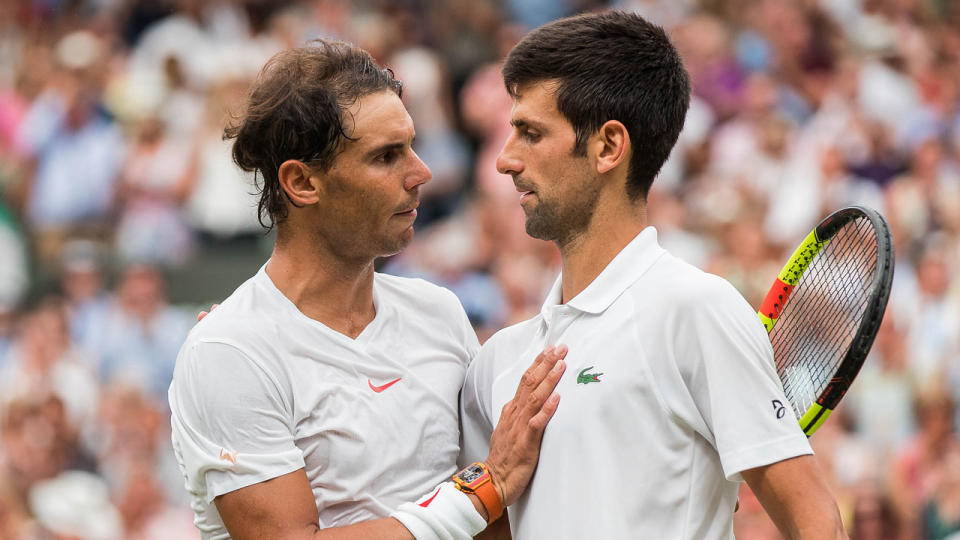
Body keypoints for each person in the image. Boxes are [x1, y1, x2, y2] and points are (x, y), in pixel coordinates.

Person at [458, 11, 846, 539]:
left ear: (609, 147)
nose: (505, 160)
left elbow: (814, 521)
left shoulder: (696, 309)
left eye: (530, 133)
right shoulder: (496, 363)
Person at [168, 40, 566, 539]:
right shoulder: (229, 351)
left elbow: (492, 523)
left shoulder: (438, 312)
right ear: (302, 182)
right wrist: (486, 488)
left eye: (412, 146)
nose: (421, 173)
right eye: (386, 157)